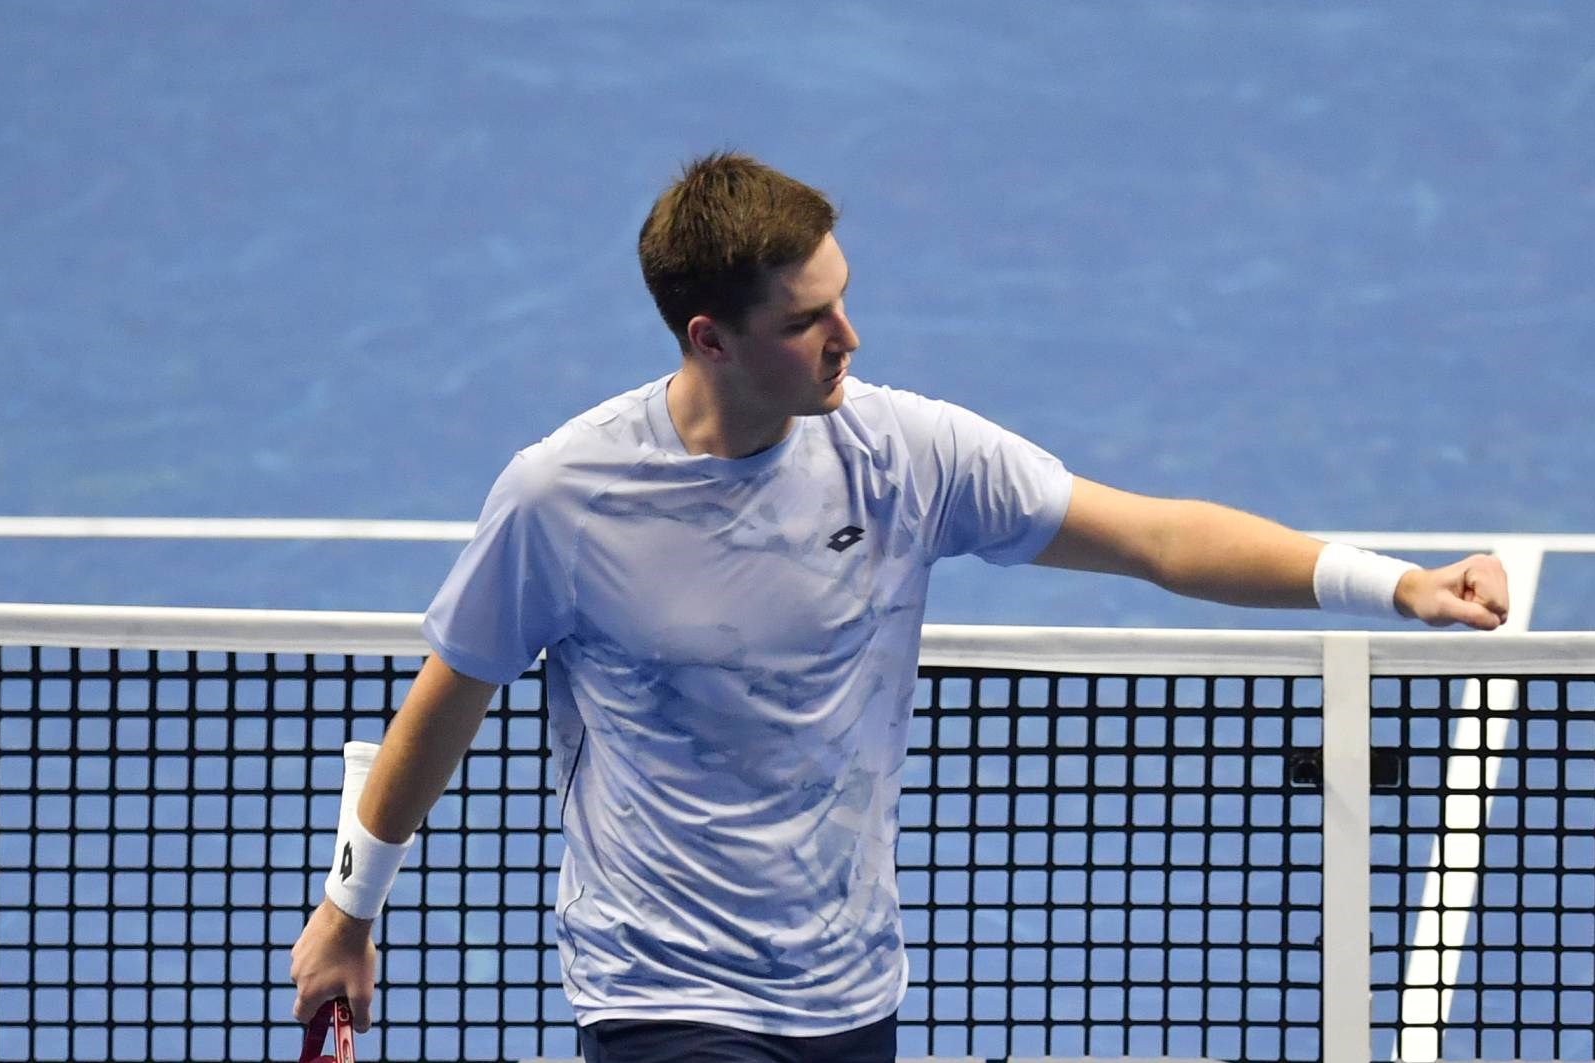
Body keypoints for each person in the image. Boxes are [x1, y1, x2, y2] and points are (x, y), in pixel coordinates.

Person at [287, 151, 1510, 1063]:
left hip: (850, 986)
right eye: (807, 318)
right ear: (710, 339)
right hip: (661, 992)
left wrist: (1392, 581)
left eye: (842, 296)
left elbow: (1157, 535)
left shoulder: (907, 454)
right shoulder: (563, 497)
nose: (848, 336)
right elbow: (448, 697)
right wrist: (350, 911)